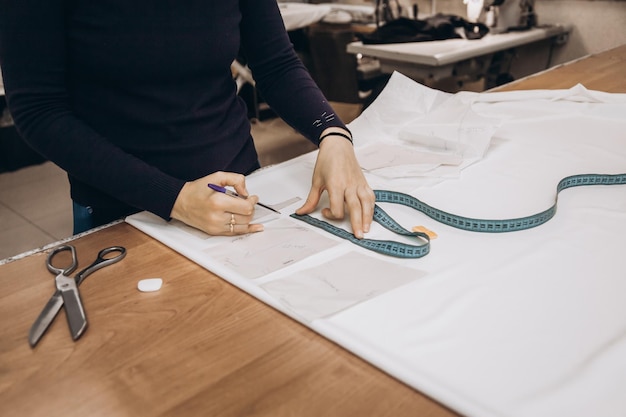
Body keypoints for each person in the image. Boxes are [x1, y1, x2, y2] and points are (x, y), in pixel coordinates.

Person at [0, 0, 374, 238]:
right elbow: (39, 111)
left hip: (239, 189)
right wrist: (175, 199)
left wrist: (332, 133)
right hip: (126, 209)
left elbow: (276, 63)